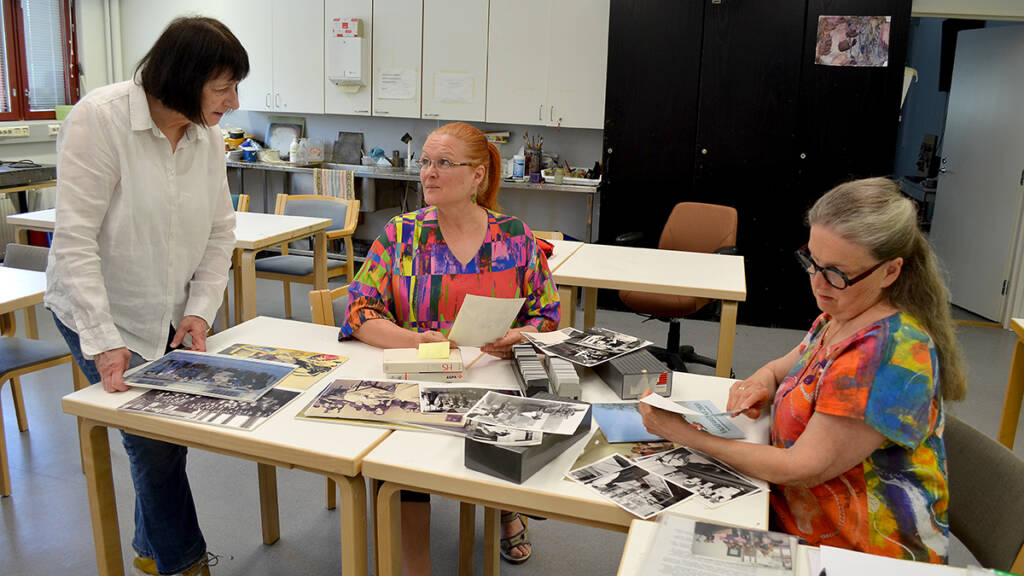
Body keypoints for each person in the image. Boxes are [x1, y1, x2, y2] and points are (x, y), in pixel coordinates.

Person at [639, 177, 965, 564]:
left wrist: (683, 434)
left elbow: (802, 469)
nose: (817, 283)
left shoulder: (887, 354)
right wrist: (763, 379)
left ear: (890, 272)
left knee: (665, 551)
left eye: (837, 274)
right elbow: (786, 366)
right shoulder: (842, 314)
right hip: (791, 513)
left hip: (858, 553)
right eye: (813, 262)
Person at [45, 17, 247, 576]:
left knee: (163, 435)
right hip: (98, 307)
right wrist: (103, 340)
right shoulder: (101, 119)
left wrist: (200, 310)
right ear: (183, 77)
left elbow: (218, 231)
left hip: (167, 309)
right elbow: (75, 242)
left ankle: (146, 547)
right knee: (154, 441)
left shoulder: (206, 135)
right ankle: (183, 564)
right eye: (223, 87)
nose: (233, 101)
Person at [339, 121, 560, 571]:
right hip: (423, 378)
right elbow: (359, 312)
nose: (428, 173)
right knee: (401, 466)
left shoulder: (514, 237)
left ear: (477, 175)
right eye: (425, 162)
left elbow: (548, 316)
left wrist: (521, 334)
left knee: (499, 431)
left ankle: (505, 509)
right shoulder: (402, 235)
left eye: (443, 163)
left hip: (493, 377)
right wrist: (415, 340)